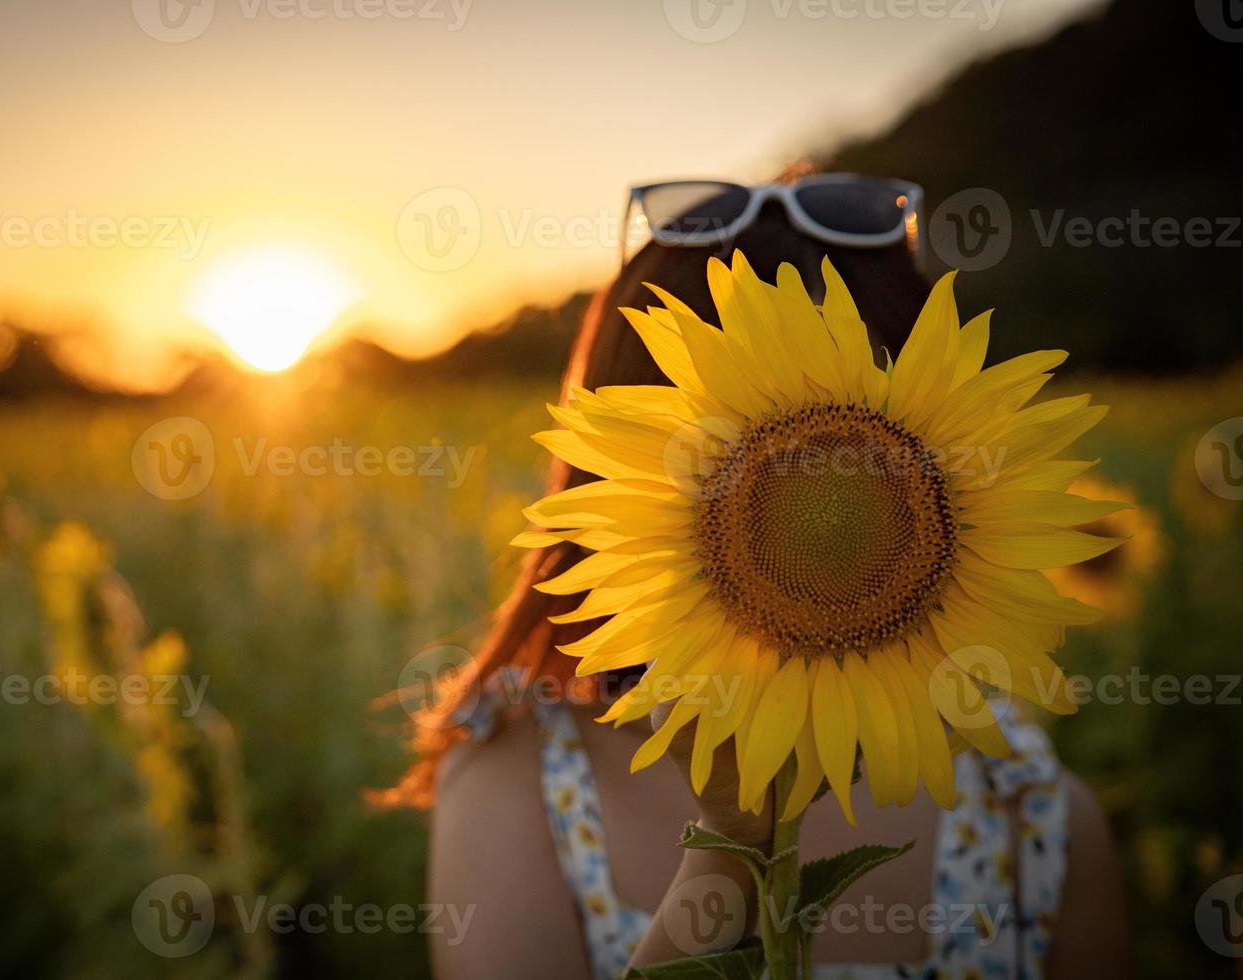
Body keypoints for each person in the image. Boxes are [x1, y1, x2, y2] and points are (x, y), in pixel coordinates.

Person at [395, 173, 1131, 980]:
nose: (831, 499)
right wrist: (731, 856)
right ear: (617, 479)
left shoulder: (1036, 817)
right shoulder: (516, 789)